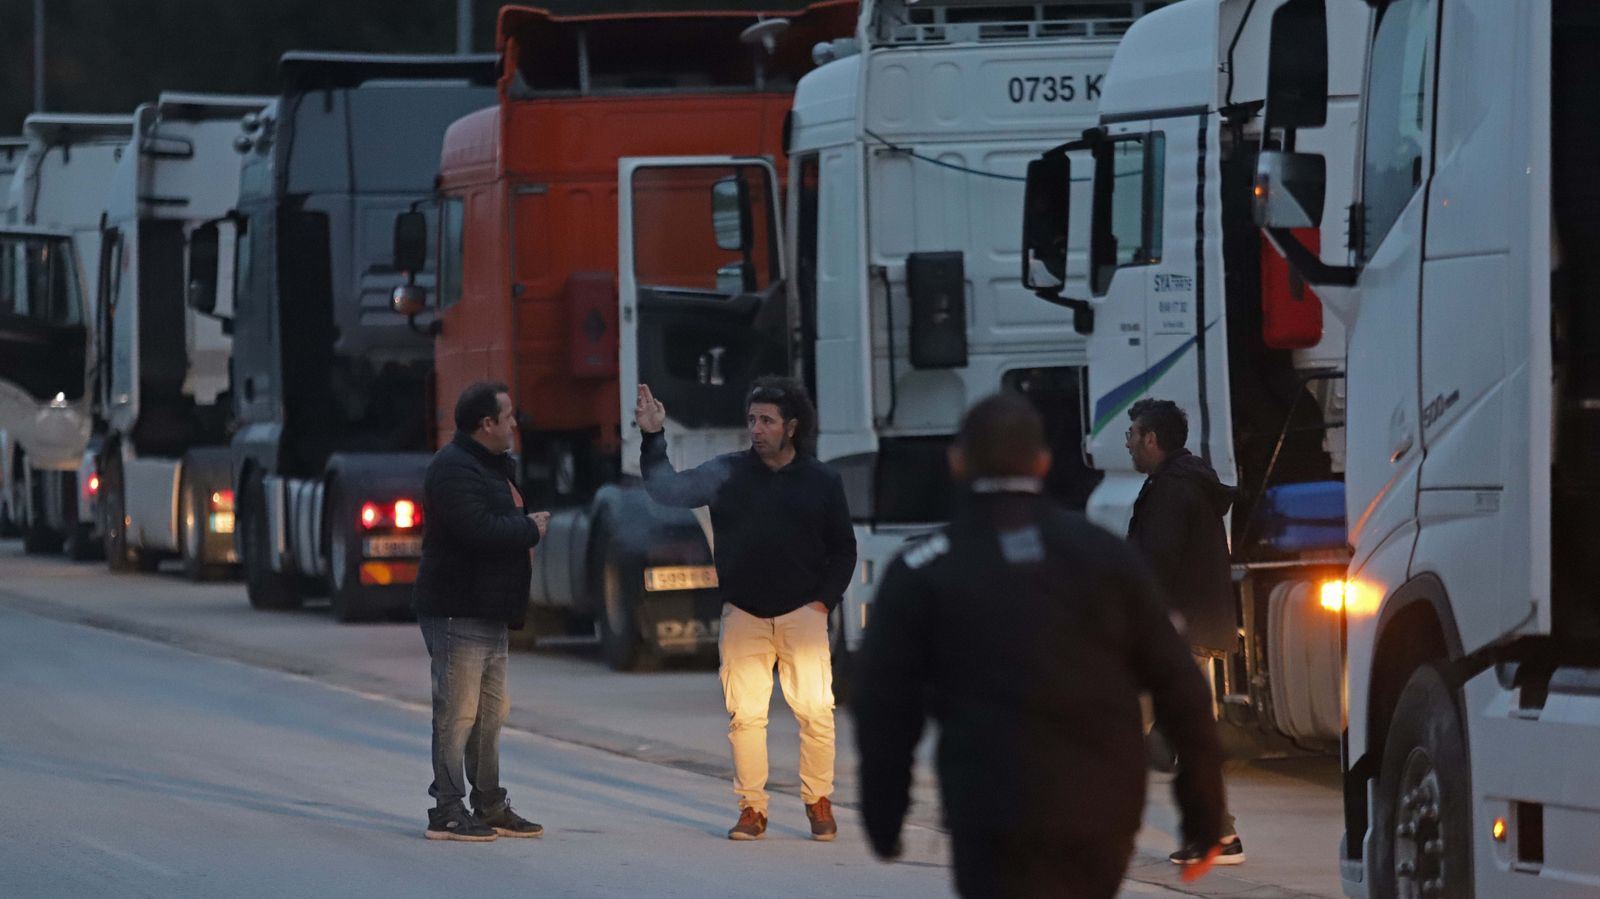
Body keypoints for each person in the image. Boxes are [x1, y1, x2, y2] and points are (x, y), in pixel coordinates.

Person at [854, 393, 1228, 899]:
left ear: (957, 462)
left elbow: (884, 704)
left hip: (989, 804)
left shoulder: (923, 567)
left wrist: (884, 816)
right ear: (1043, 464)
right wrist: (1203, 817)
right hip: (1100, 807)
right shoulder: (1106, 558)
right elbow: (1182, 689)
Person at [635, 376, 857, 842]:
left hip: (804, 613)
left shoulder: (822, 481)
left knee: (816, 713)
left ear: (790, 426)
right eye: (752, 420)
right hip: (744, 614)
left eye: (767, 421)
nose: (756, 429)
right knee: (746, 717)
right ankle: (752, 809)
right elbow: (667, 491)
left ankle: (818, 800)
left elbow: (844, 549)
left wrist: (822, 604)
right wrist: (653, 435)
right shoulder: (728, 472)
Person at [413, 382, 550, 842]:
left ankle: (489, 803)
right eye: (507, 415)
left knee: (491, 715)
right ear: (486, 424)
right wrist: (528, 528)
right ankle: (447, 810)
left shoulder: (489, 466)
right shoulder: (453, 469)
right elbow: (477, 529)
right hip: (458, 611)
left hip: (489, 611)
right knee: (456, 717)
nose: (515, 422)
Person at [1123, 397, 1245, 864]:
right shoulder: (1184, 483)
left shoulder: (1171, 491)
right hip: (1193, 630)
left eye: (1132, 435)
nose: (1129, 444)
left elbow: (1153, 568)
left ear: (1151, 439)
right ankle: (1218, 833)